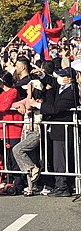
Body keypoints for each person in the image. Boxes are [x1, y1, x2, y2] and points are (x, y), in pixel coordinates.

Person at [30, 67, 77, 197]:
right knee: (57, 159)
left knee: (60, 160)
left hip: (63, 131)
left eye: (62, 76)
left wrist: (37, 105)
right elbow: (52, 80)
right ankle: (60, 184)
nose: (59, 78)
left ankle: (63, 186)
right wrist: (41, 74)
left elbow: (56, 108)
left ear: (69, 79)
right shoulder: (61, 87)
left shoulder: (71, 92)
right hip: (55, 130)